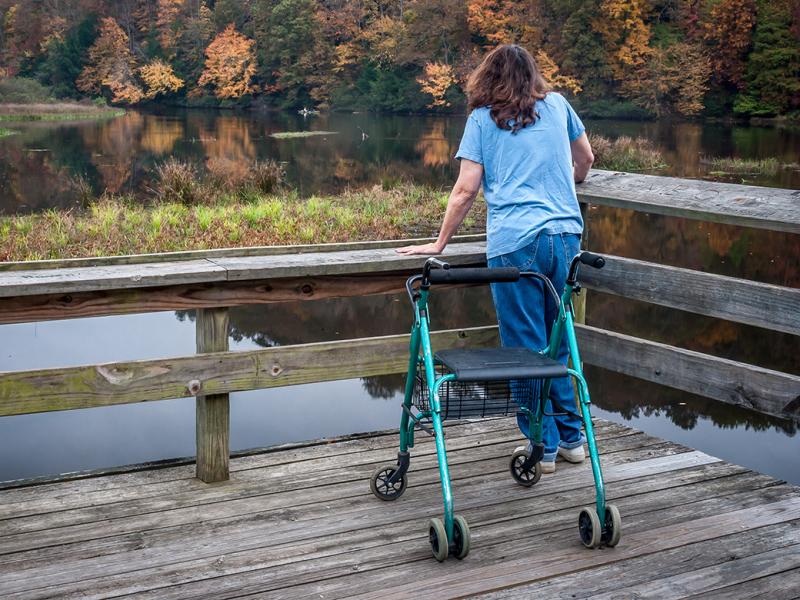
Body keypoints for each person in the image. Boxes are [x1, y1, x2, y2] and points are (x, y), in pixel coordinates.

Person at [397, 44, 595, 474]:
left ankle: (542, 446)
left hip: (516, 243)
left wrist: (439, 244)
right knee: (557, 339)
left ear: (487, 79)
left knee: (524, 346)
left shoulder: (483, 120)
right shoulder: (559, 105)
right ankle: (574, 438)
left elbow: (467, 189)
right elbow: (586, 160)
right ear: (534, 76)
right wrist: (569, 183)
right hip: (565, 235)